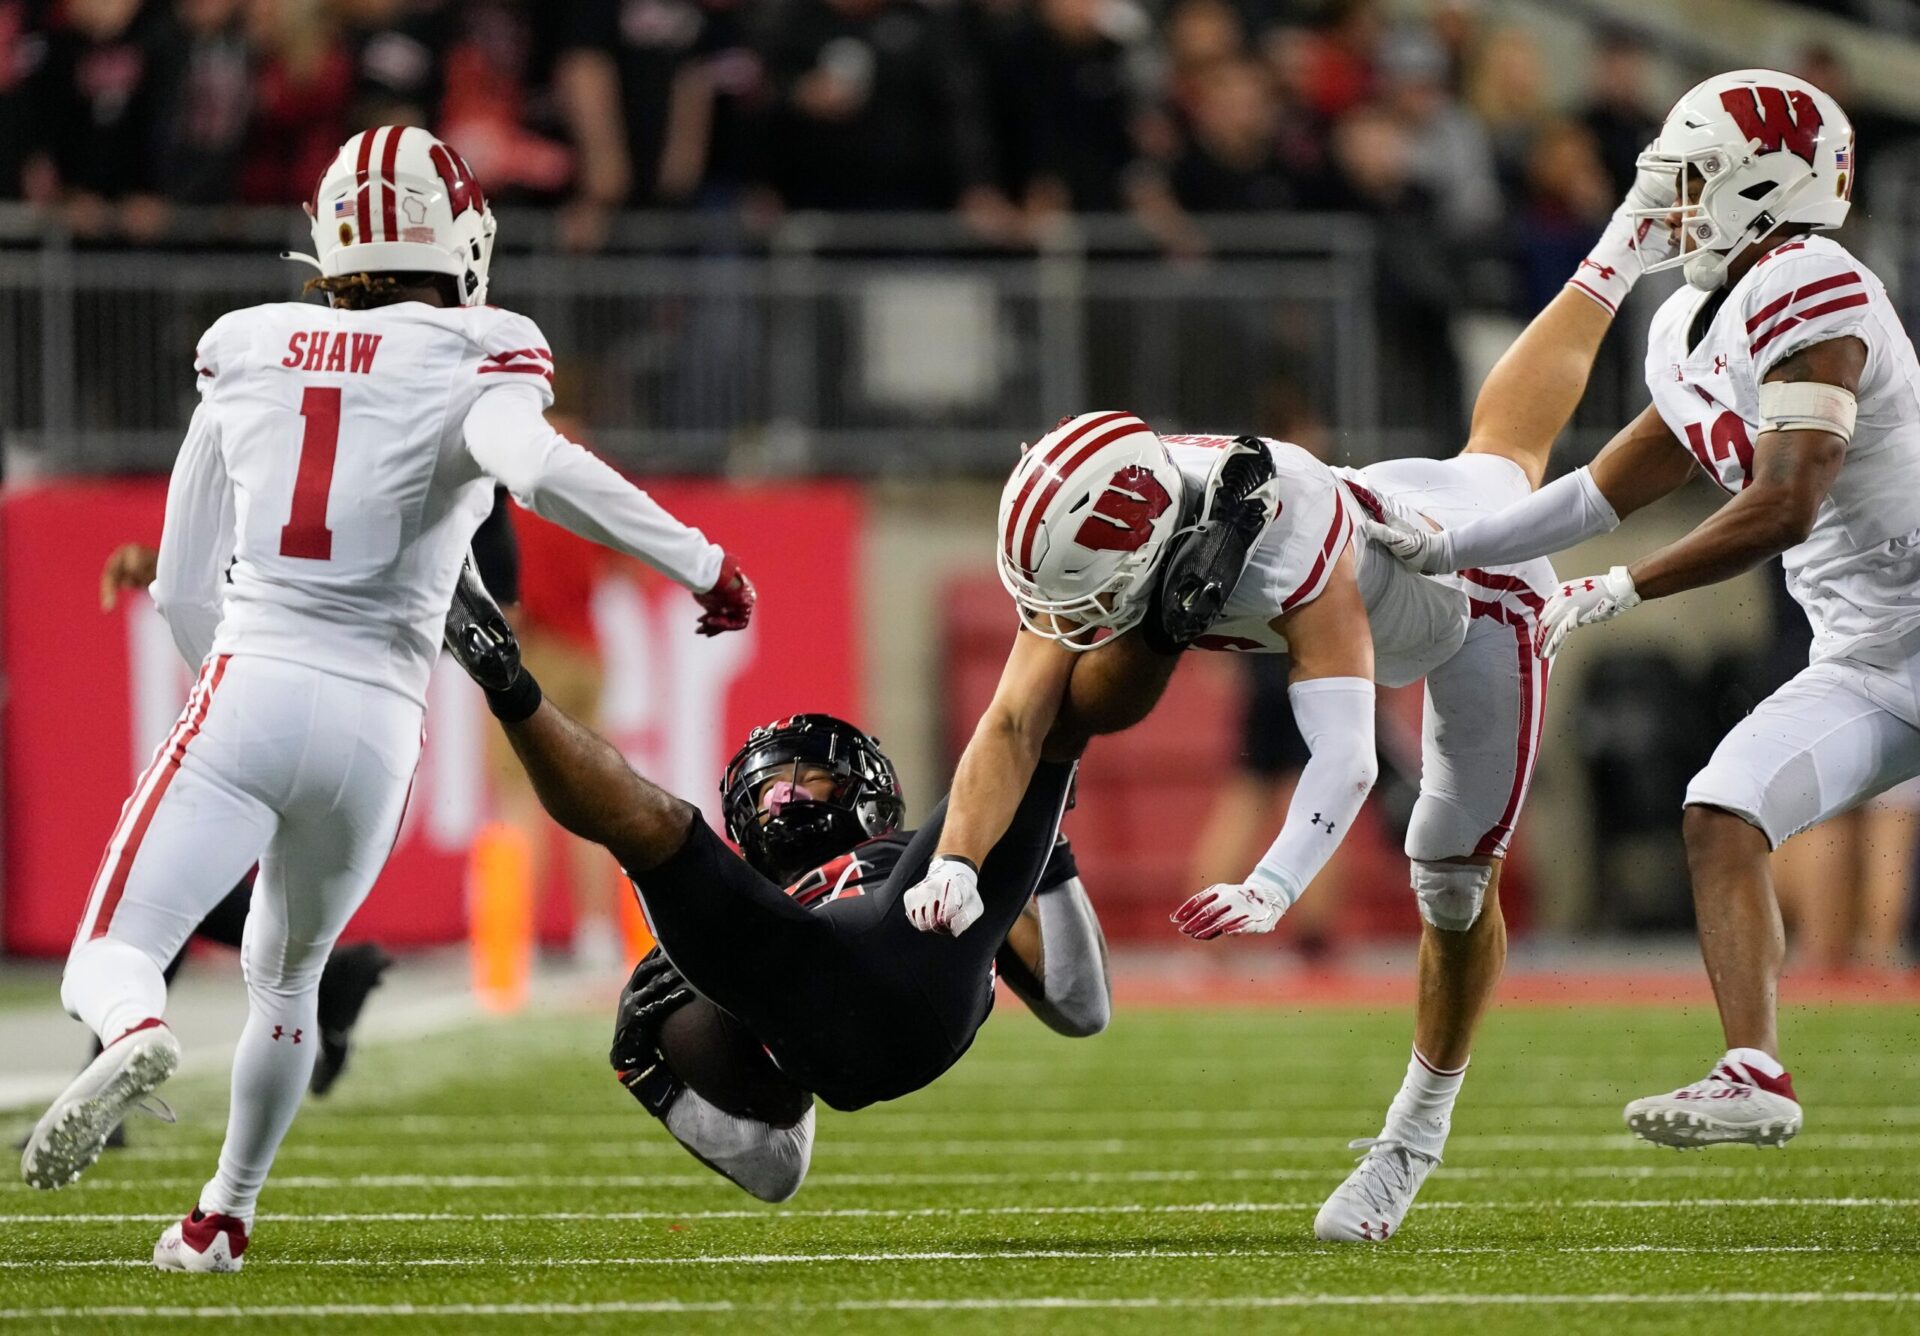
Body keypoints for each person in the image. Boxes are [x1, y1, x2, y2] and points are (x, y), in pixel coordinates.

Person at [19, 125, 756, 1277]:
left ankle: (138, 1030)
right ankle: (222, 1214)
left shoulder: (247, 347)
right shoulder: (480, 349)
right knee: (289, 975)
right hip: (379, 731)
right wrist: (705, 563)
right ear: (458, 235)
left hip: (254, 680)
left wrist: (233, 698)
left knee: (109, 951)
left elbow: (178, 582)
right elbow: (543, 470)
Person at [1367, 70, 1907, 1151]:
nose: (1675, 199)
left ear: (1770, 187)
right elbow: (1606, 485)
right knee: (1721, 813)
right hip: (1873, 652)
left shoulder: (1814, 282)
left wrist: (1616, 589)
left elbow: (1786, 501)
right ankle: (1755, 1067)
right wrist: (1450, 543)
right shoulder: (1690, 323)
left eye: (1701, 175)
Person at [441, 566, 1111, 1202]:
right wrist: (657, 1086)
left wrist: (1042, 851)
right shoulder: (758, 927)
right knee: (652, 826)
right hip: (808, 1002)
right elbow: (774, 1171)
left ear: (865, 793)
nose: (781, 794)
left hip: (917, 944)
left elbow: (1081, 1007)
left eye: (804, 775)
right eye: (766, 787)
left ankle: (1127, 605)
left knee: (1029, 735)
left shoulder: (941, 854)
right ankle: (506, 680)